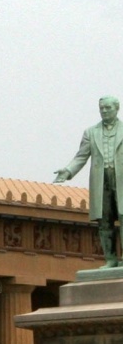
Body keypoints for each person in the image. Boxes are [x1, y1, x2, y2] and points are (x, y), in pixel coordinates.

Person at [54, 96, 123, 267]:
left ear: (116, 109)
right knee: (104, 220)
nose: (104, 111)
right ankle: (111, 259)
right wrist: (68, 170)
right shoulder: (91, 132)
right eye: (102, 108)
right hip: (101, 180)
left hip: (121, 179)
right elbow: (81, 156)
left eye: (108, 108)